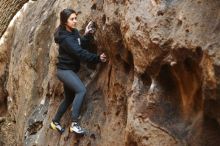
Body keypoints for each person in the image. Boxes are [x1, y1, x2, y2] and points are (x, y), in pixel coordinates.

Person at [50, 8, 106, 134]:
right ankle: (75, 124)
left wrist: (86, 35)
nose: (75, 21)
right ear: (65, 21)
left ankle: (55, 121)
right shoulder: (65, 38)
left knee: (69, 98)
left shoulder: (73, 32)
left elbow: (79, 45)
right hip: (64, 71)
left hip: (68, 70)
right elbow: (79, 53)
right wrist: (97, 58)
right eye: (72, 19)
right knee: (81, 90)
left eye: (76, 18)